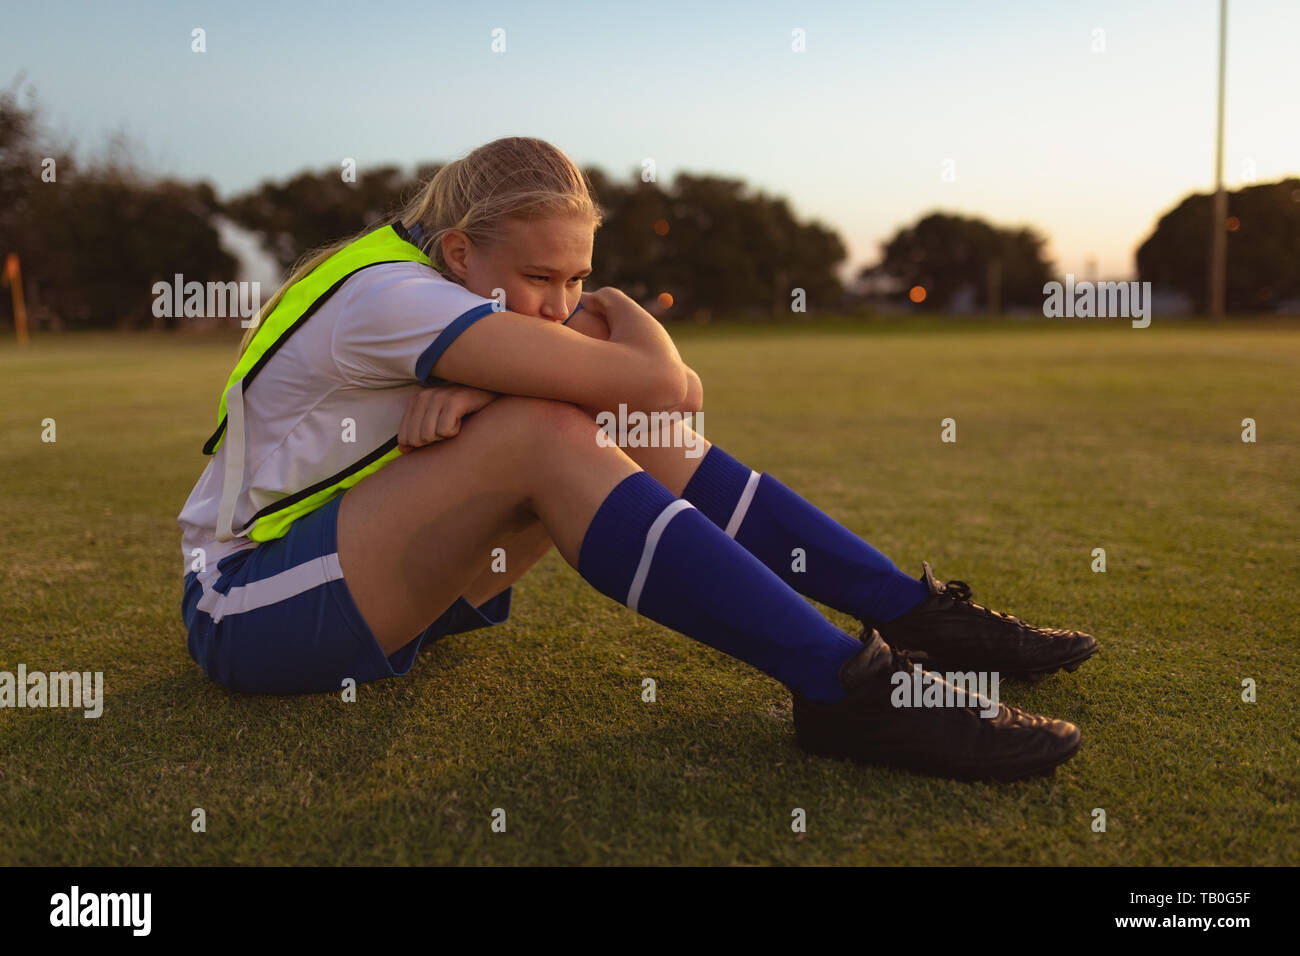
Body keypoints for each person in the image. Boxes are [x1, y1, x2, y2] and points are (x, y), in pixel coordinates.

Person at [178, 136, 1097, 783]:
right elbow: (665, 386)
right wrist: (618, 341)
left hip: (374, 580)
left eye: (580, 278)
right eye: (541, 277)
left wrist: (512, 375)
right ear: (460, 249)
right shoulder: (389, 297)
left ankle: (912, 614)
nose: (560, 301)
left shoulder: (444, 284)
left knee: (588, 415)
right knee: (551, 426)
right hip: (248, 606)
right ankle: (847, 690)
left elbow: (655, 404)